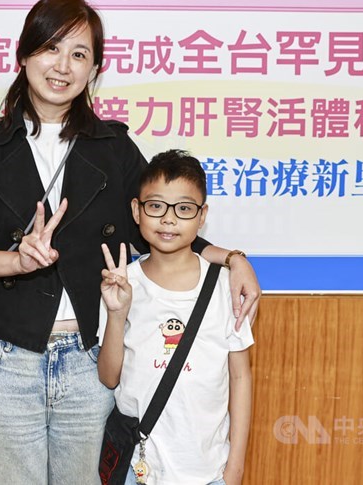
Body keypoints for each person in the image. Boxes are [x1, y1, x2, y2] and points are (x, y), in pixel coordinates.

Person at [0, 0, 260, 485]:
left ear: (94, 69)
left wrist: (232, 258)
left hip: (91, 362)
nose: (62, 66)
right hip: (2, 360)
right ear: (24, 55)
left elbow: (159, 218)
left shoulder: (113, 147)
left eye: (79, 54)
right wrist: (16, 261)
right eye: (50, 48)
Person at [97, 149, 254, 485]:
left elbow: (240, 377)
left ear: (202, 216)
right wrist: (116, 313)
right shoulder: (123, 283)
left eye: (184, 209)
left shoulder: (225, 285)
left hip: (209, 471)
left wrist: (235, 467)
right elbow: (110, 377)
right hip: (138, 470)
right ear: (137, 211)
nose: (168, 219)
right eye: (156, 206)